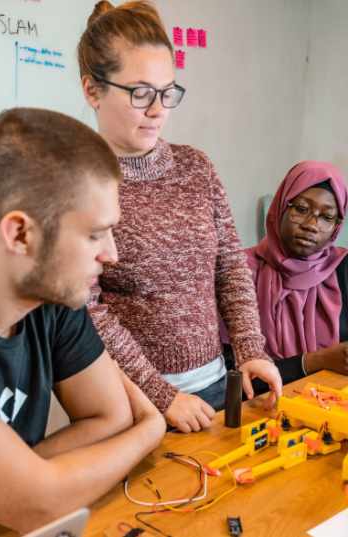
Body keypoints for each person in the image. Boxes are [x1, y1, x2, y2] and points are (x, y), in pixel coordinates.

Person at [0, 108, 166, 533]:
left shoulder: (49, 298)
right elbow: (38, 503)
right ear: (21, 235)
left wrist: (7, 478)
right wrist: (151, 429)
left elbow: (110, 417)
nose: (112, 254)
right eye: (94, 234)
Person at [78, 0, 282, 434]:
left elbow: (230, 267)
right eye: (140, 93)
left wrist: (250, 349)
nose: (158, 110)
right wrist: (161, 394)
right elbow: (86, 309)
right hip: (130, 403)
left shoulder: (196, 167)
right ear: (92, 90)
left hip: (215, 381)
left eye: (168, 92)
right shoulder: (76, 182)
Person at [245, 160, 348, 387]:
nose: (312, 225)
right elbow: (235, 374)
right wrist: (315, 361)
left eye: (326, 217)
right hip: (261, 404)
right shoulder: (240, 270)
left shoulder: (344, 268)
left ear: (336, 226)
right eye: (301, 209)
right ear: (281, 205)